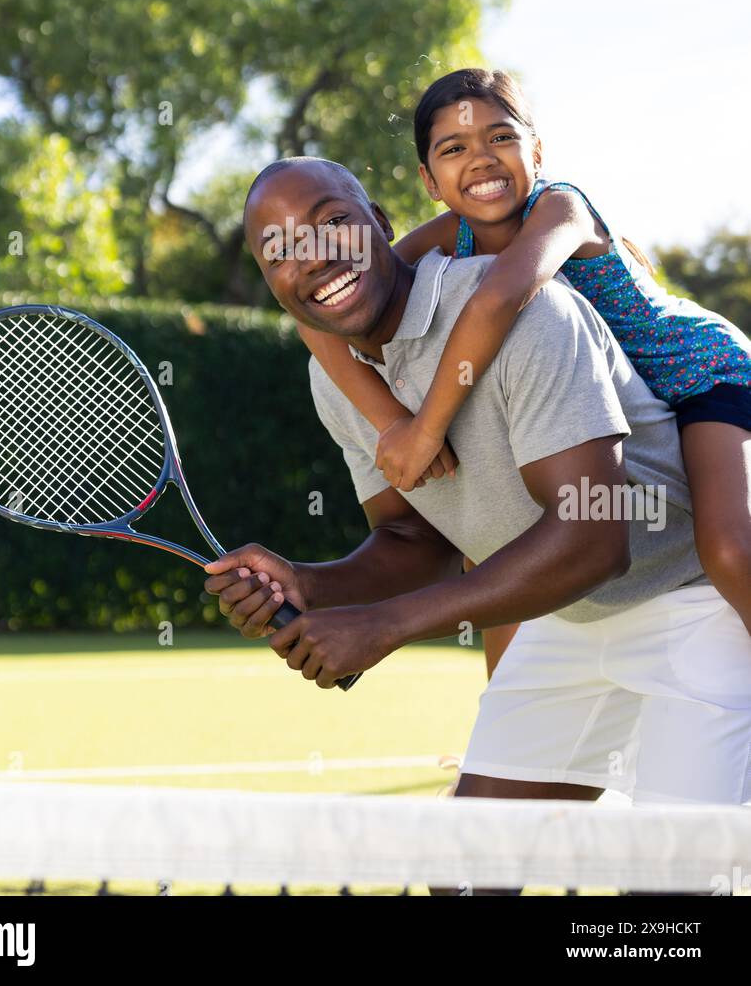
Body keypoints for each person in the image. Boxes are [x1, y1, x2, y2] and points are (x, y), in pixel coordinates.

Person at [204, 155, 751, 893]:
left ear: (381, 226)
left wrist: (385, 625)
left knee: (662, 909)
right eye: (279, 248)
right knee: (462, 874)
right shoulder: (334, 379)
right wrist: (310, 584)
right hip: (564, 620)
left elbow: (592, 539)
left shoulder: (531, 316)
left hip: (688, 602)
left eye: (332, 222)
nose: (313, 255)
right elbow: (414, 541)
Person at [295, 69, 751, 642]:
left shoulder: (562, 208)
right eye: (454, 148)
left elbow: (500, 297)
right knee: (486, 560)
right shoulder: (446, 234)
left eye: (501, 138)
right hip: (621, 408)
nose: (481, 159)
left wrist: (426, 430)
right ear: (429, 179)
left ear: (536, 150)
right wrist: (392, 422)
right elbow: (320, 319)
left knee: (730, 549)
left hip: (699, 377)